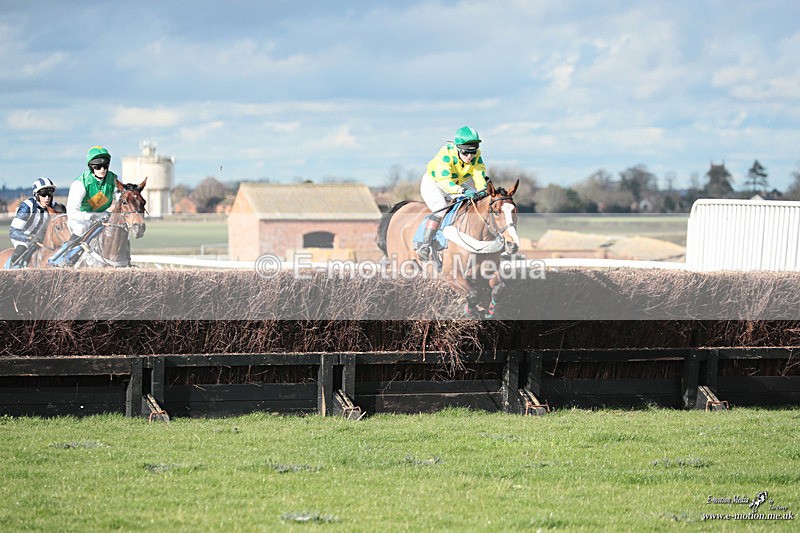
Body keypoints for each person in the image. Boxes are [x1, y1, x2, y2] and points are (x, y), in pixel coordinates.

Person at [417, 125, 488, 261]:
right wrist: (462, 190)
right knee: (440, 207)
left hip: (456, 183)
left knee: (475, 204)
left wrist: (482, 192)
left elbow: (479, 176)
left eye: (472, 152)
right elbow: (444, 180)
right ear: (458, 148)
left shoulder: (476, 156)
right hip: (434, 183)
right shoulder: (446, 154)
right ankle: (424, 245)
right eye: (465, 153)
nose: (469, 156)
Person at [48, 146, 119, 267]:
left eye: (105, 166)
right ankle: (66, 258)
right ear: (91, 167)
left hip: (102, 215)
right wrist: (90, 217)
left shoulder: (113, 179)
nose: (102, 169)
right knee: (81, 228)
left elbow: (119, 201)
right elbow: (72, 212)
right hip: (81, 218)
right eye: (98, 167)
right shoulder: (79, 184)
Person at [7, 177, 66, 268]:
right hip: (24, 238)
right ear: (36, 195)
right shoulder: (27, 206)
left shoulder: (55, 207)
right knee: (21, 248)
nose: (47, 198)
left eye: (49, 195)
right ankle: (13, 270)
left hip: (43, 239)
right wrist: (29, 237)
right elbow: (13, 231)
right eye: (43, 194)